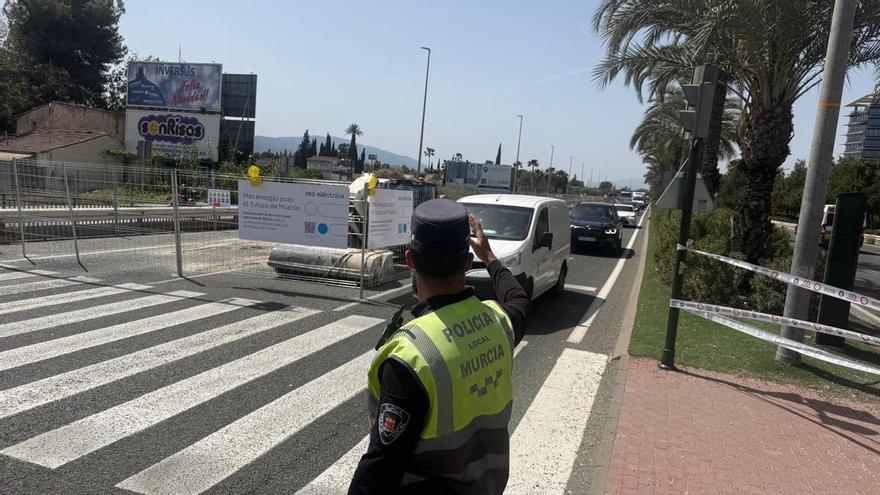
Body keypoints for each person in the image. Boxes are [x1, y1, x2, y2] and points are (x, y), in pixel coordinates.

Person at [349, 198, 531, 495]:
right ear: (468, 263)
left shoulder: (412, 354)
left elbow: (382, 465)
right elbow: (518, 300)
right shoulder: (498, 322)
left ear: (410, 260)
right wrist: (490, 258)